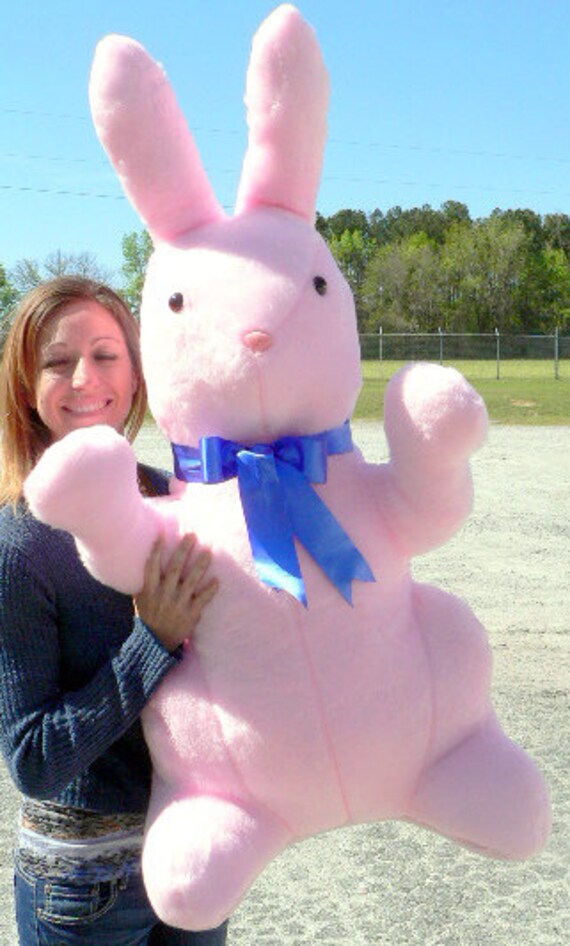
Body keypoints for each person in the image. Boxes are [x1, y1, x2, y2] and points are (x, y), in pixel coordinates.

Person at [0, 276, 228, 945]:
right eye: (55, 361)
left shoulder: (175, 499)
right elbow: (33, 759)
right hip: (83, 886)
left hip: (195, 856)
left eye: (105, 355)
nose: (83, 378)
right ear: (26, 385)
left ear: (136, 372)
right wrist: (150, 641)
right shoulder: (20, 543)